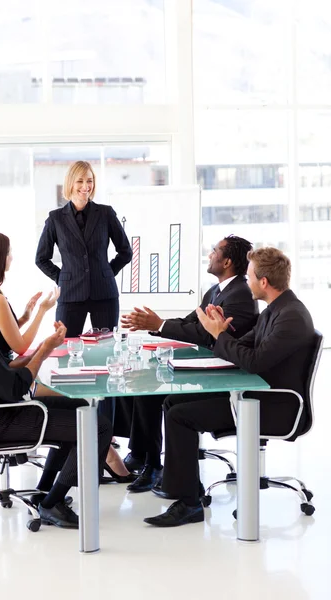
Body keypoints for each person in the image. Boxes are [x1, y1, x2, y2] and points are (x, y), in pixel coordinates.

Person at [144, 247, 315, 527]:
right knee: (172, 403)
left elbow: (254, 362)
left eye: (248, 277)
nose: (245, 282)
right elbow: (245, 345)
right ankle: (185, 487)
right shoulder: (277, 308)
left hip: (271, 405)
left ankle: (188, 505)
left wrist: (220, 335)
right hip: (255, 394)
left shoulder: (290, 316)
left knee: (179, 416)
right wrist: (221, 331)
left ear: (263, 282)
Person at [0, 264, 112, 529]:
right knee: (97, 426)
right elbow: (15, 388)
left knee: (79, 406)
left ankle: (43, 490)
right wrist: (44, 349)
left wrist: (42, 348)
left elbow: (0, 369)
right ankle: (51, 503)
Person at [120, 235, 258, 492]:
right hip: (207, 364)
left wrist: (159, 325)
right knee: (140, 380)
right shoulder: (218, 290)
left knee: (148, 387)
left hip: (224, 374)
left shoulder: (240, 294)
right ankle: (144, 456)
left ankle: (150, 463)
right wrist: (157, 325)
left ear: (226, 261)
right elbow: (191, 322)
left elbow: (208, 335)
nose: (210, 254)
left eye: (215, 251)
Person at [35, 160, 132, 337]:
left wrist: (107, 272)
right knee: (65, 347)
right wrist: (62, 278)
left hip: (104, 294)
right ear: (70, 183)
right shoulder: (55, 218)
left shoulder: (105, 214)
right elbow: (41, 258)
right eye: (80, 181)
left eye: (89, 180)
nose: (86, 186)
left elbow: (126, 252)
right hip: (70, 295)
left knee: (106, 349)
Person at [0, 232, 59, 360]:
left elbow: (1, 334)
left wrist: (24, 318)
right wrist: (42, 310)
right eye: (9, 253)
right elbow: (20, 347)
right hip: (4, 369)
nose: (11, 257)